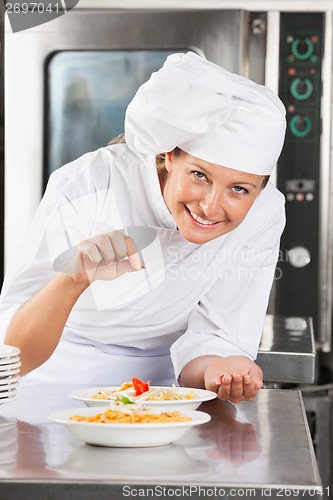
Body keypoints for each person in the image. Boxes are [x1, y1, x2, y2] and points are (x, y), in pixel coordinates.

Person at [0, 52, 286, 403]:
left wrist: (221, 367)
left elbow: (217, 337)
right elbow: (14, 355)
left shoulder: (264, 213)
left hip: (159, 393)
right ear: (169, 155)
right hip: (49, 380)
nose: (211, 207)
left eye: (239, 189)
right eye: (199, 175)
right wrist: (72, 279)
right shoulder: (89, 183)